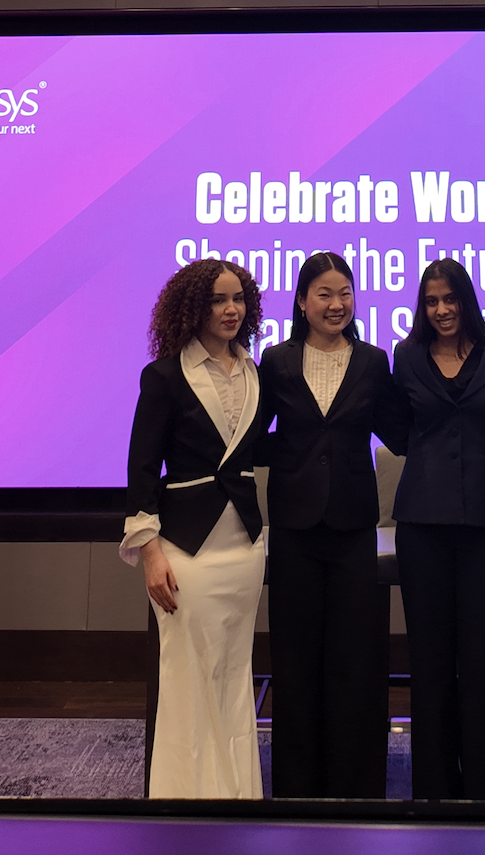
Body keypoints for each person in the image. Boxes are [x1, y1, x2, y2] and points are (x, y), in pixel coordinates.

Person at [260, 252, 406, 799]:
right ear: (301, 301)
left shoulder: (373, 361)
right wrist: (296, 452)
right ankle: (296, 786)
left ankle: (358, 784)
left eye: (344, 292)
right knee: (295, 658)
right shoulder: (275, 361)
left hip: (351, 527)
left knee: (356, 658)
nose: (336, 303)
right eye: (323, 293)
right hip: (295, 526)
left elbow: (397, 430)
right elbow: (254, 438)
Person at [119, 259, 265, 799]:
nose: (230, 310)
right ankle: (182, 799)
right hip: (184, 547)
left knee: (234, 676)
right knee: (187, 678)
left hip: (245, 546)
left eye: (238, 299)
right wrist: (150, 553)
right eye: (216, 300)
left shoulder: (255, 372)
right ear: (192, 307)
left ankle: (238, 795)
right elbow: (140, 471)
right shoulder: (162, 376)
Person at [393, 258, 485, 801]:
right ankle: (435, 791)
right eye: (431, 301)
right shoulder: (406, 356)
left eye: (450, 299)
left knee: (484, 660)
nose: (441, 310)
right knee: (432, 660)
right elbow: (398, 431)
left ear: (465, 299)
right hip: (422, 527)